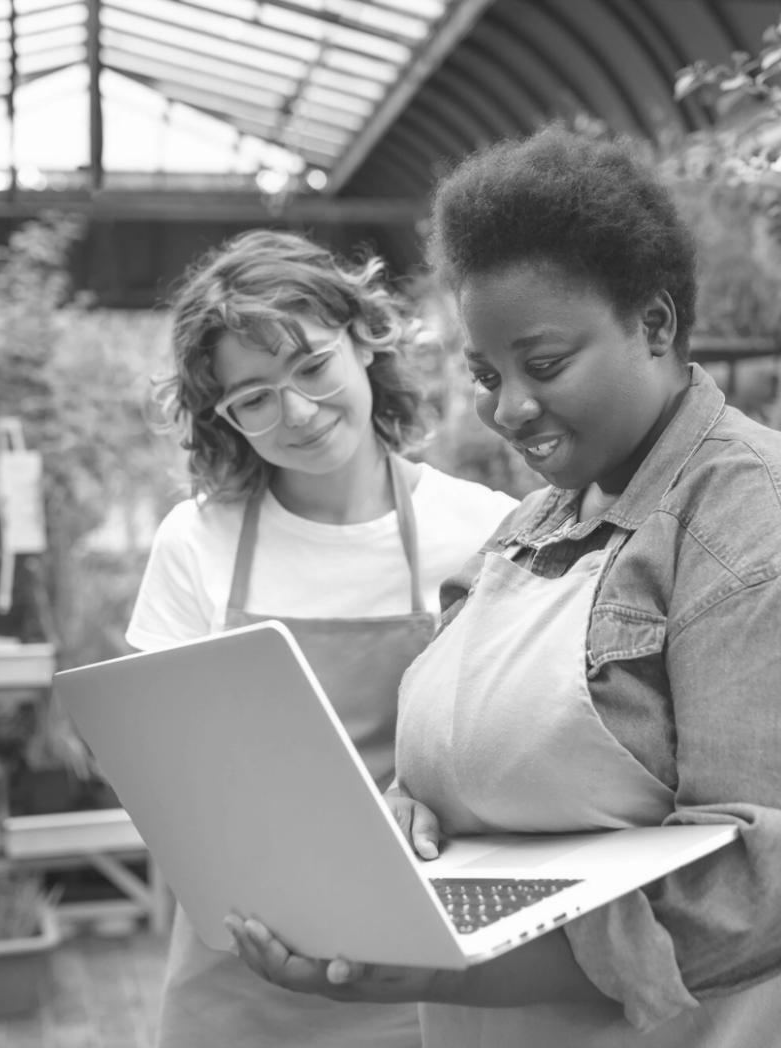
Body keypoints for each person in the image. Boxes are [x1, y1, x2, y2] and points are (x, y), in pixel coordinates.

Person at [226, 128, 781, 1046]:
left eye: (543, 365)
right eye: (485, 374)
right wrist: (414, 812)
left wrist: (436, 962)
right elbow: (470, 753)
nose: (509, 408)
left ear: (654, 324)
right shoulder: (534, 527)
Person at [127, 228, 518, 1048]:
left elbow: (522, 751)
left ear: (365, 339)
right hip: (239, 970)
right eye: (254, 398)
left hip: (426, 969)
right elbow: (160, 774)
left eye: (310, 366)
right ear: (223, 418)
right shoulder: (194, 542)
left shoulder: (482, 531)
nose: (297, 413)